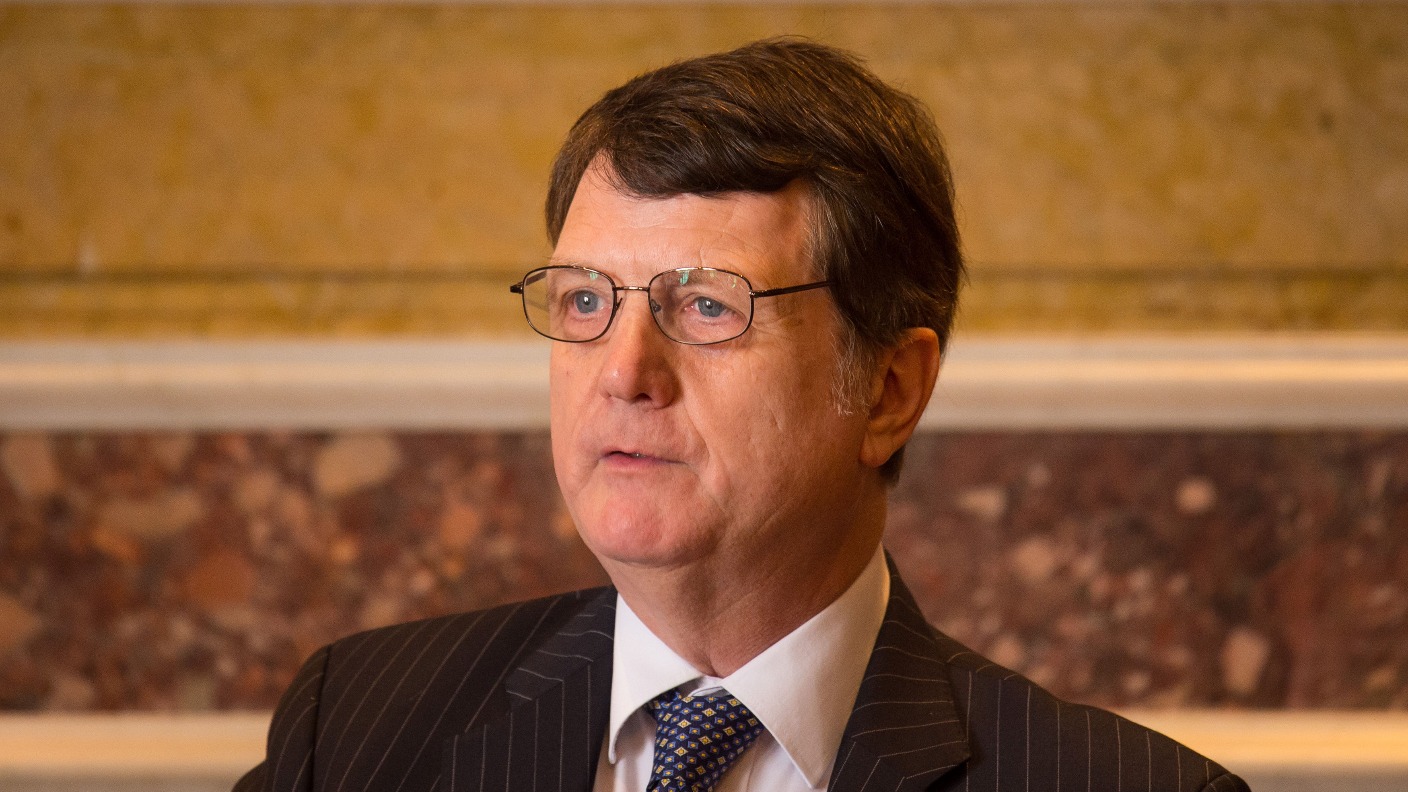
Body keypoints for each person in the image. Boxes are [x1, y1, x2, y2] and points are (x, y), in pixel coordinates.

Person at [236, 38, 1249, 792]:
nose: (624, 373)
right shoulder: (357, 729)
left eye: (709, 307)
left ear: (889, 391)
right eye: (586, 300)